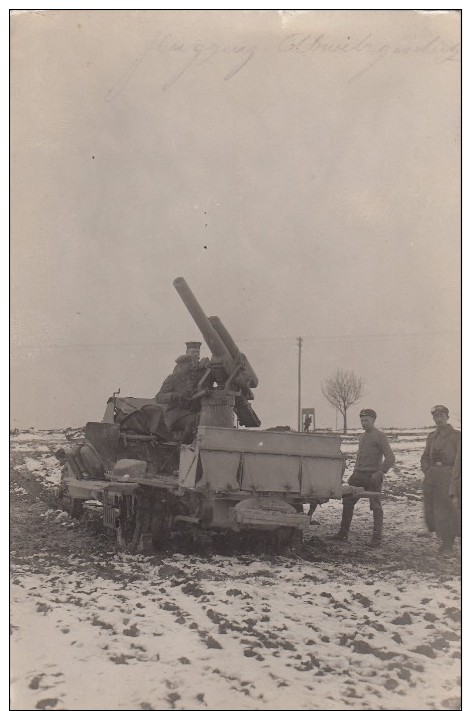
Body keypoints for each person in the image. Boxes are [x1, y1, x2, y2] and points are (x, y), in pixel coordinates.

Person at [331, 408, 395, 547]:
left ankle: (377, 538)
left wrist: (380, 472)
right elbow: (360, 457)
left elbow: (390, 458)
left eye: (366, 420)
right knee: (347, 502)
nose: (363, 423)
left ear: (373, 420)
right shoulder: (362, 436)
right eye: (362, 421)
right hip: (358, 476)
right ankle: (343, 533)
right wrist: (354, 474)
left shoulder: (380, 436)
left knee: (375, 505)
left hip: (372, 477)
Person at [420, 405, 460, 556]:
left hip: (449, 479)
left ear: (447, 418)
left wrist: (452, 473)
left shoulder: (457, 436)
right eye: (436, 417)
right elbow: (424, 456)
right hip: (432, 478)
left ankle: (448, 544)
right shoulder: (431, 436)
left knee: (449, 511)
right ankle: (443, 540)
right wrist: (427, 469)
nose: (439, 419)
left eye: (442, 416)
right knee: (434, 511)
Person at [155, 355, 201, 444]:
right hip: (173, 413)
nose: (191, 368)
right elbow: (159, 397)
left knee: (196, 420)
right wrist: (175, 396)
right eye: (189, 365)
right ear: (181, 366)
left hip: (187, 412)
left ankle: (185, 446)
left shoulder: (192, 380)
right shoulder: (172, 379)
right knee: (192, 420)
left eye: (191, 365)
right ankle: (180, 448)